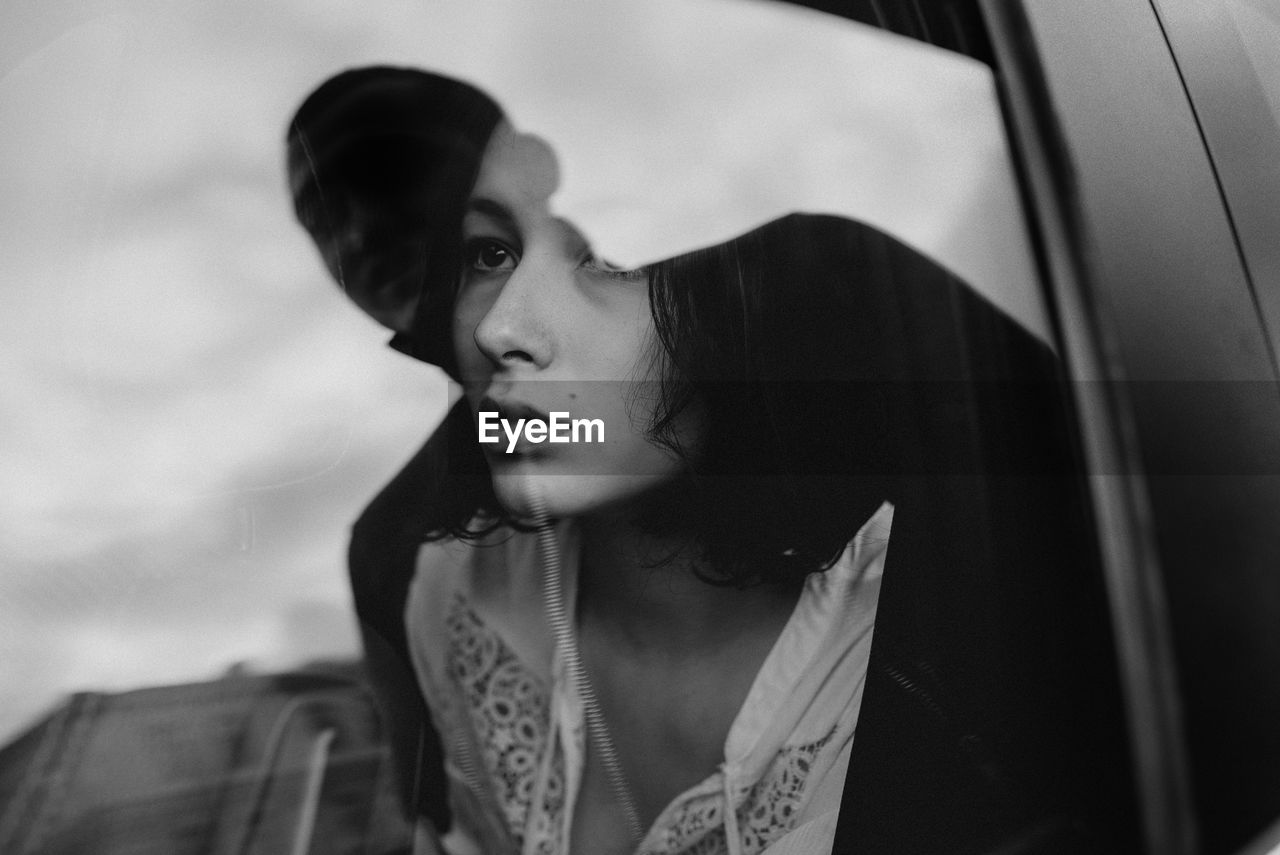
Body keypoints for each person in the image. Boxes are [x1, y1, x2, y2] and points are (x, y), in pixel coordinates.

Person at [289, 68, 1140, 855]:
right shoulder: (422, 581)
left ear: (731, 284)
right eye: (486, 254)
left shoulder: (974, 597)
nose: (502, 329)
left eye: (608, 259)